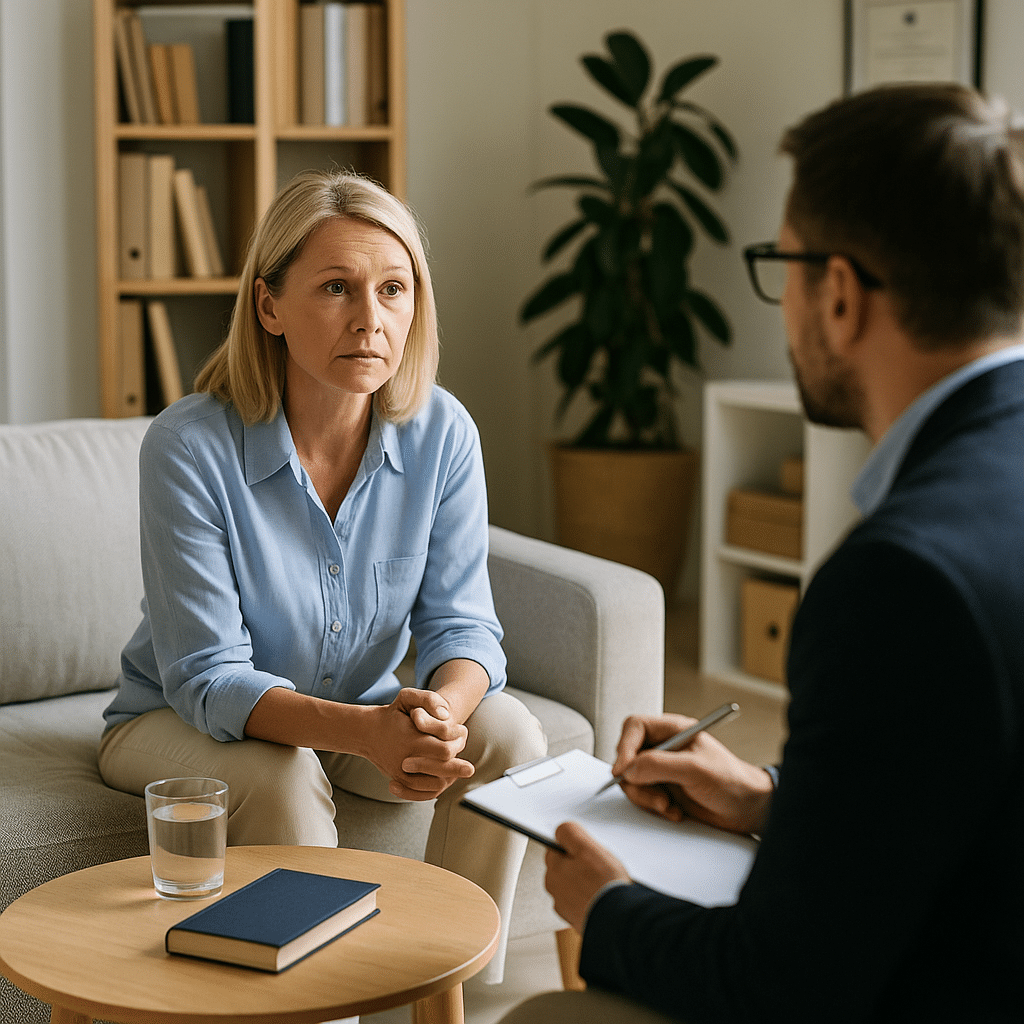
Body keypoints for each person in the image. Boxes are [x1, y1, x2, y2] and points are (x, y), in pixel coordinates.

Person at [500, 83, 1024, 1023]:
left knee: (546, 1014)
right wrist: (768, 798)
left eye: (781, 265)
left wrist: (609, 909)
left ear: (837, 294)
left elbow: (778, 986)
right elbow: (968, 791)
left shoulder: (901, 579)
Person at [99, 168, 546, 981]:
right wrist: (366, 735)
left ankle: (443, 988)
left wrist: (438, 718)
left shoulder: (444, 433)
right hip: (174, 719)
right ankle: (312, 1003)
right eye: (336, 288)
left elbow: (464, 626)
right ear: (269, 305)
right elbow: (205, 675)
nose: (371, 322)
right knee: (282, 771)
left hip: (354, 710)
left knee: (511, 733)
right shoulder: (189, 446)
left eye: (393, 290)